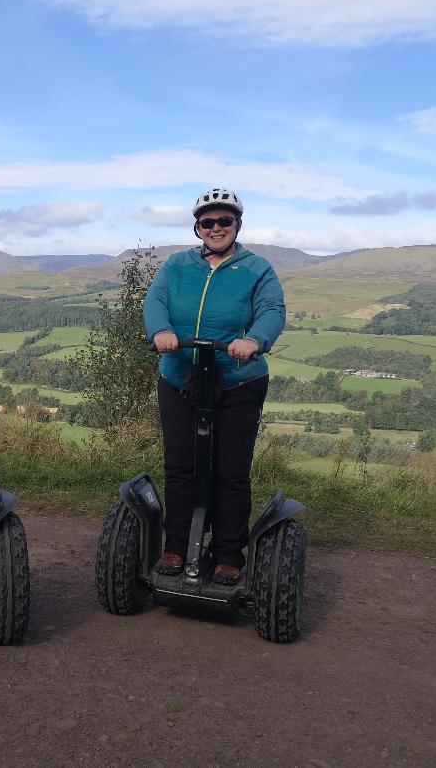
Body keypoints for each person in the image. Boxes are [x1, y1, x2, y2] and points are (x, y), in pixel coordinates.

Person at [143, 187, 286, 586]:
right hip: (179, 377)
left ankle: (227, 552)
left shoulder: (257, 268)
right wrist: (161, 331)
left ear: (237, 225)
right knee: (180, 466)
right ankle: (176, 546)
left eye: (225, 221)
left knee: (231, 470)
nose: (216, 228)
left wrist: (255, 341)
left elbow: (272, 310)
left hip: (237, 381)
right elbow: (154, 301)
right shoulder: (176, 266)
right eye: (208, 222)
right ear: (197, 227)